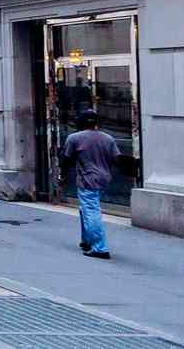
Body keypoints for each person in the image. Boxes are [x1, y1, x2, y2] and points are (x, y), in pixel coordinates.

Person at [60, 111, 121, 259]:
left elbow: (66, 160)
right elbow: (117, 159)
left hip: (88, 179)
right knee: (85, 209)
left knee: (91, 212)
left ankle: (100, 248)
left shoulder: (74, 138)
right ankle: (87, 240)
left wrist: (63, 174)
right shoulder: (108, 138)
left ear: (80, 123)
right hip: (104, 178)